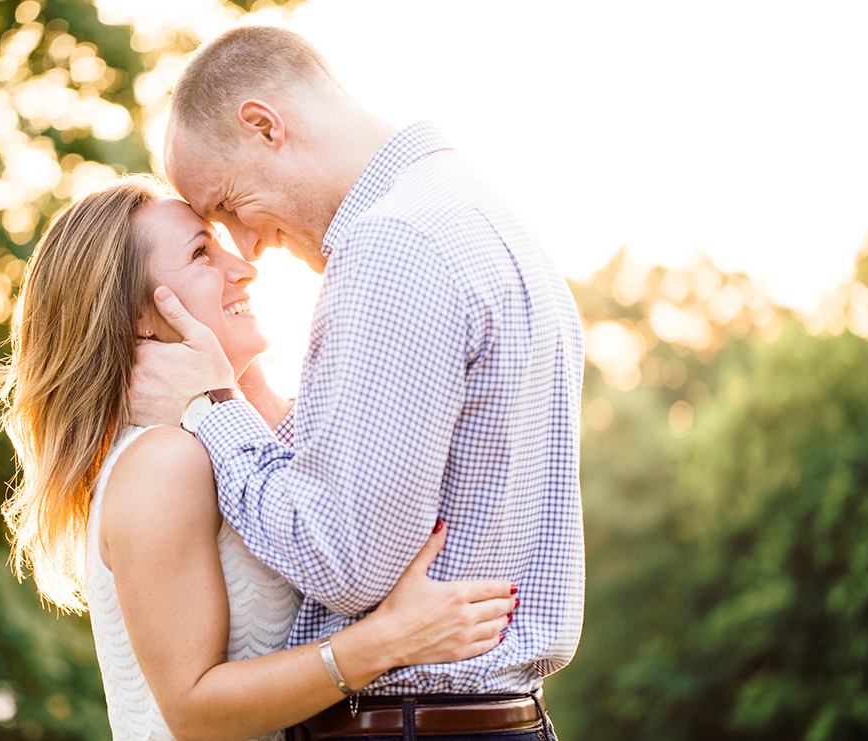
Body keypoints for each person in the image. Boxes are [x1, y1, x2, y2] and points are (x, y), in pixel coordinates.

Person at [129, 26, 586, 740]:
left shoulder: (391, 245)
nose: (244, 247)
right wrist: (239, 386)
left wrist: (212, 406)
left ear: (263, 126)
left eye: (227, 207)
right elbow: (368, 480)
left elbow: (342, 562)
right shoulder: (467, 207)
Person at [0, 174, 517, 741]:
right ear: (135, 316)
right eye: (200, 253)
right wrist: (387, 640)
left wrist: (242, 389)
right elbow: (193, 711)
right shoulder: (163, 461)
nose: (243, 267)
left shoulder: (219, 440)